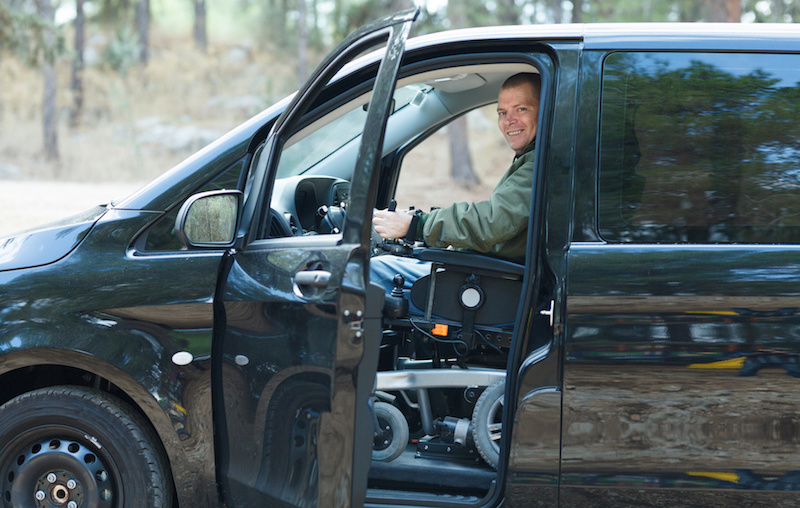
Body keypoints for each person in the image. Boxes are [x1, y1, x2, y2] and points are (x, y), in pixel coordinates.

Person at [372, 72, 540, 274]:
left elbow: (492, 221)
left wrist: (416, 225)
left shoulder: (540, 162)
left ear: (545, 110)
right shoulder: (533, 159)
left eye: (521, 109)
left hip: (492, 280)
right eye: (502, 113)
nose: (509, 121)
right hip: (486, 270)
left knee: (373, 270)